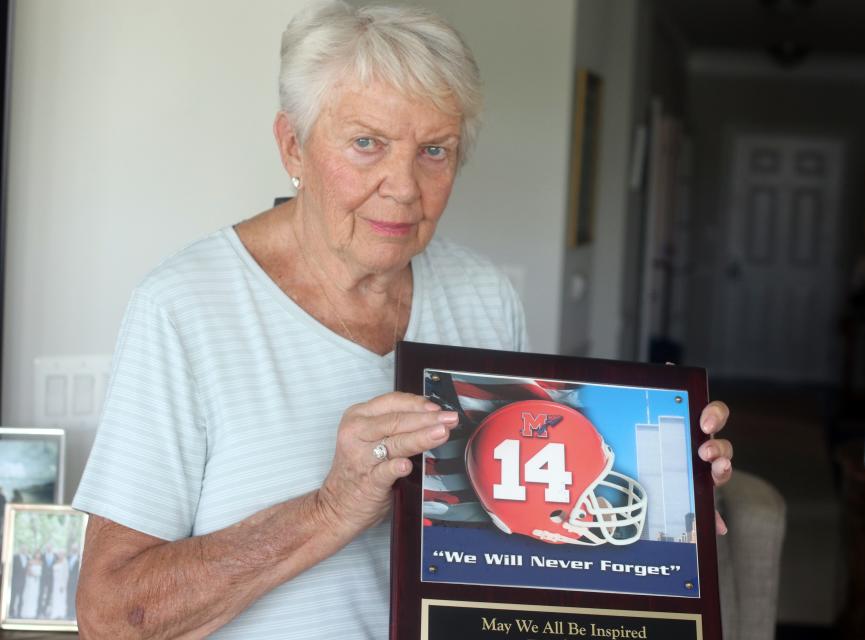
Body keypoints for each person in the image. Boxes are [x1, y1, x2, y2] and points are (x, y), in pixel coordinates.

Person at [73, 2, 734, 638]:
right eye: (366, 143)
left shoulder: (483, 297)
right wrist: (332, 508)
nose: (404, 186)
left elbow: (525, 539)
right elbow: (110, 617)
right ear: (293, 147)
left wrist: (668, 492)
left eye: (435, 151)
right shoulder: (186, 309)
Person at [20, 553, 41, 619]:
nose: (38, 555)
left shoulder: (41, 562)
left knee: (34, 596)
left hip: (37, 582)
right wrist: (34, 575)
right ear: (35, 554)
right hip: (31, 580)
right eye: (37, 554)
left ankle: (33, 613)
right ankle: (26, 613)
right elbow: (28, 571)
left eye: (39, 554)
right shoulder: (30, 561)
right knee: (29, 595)